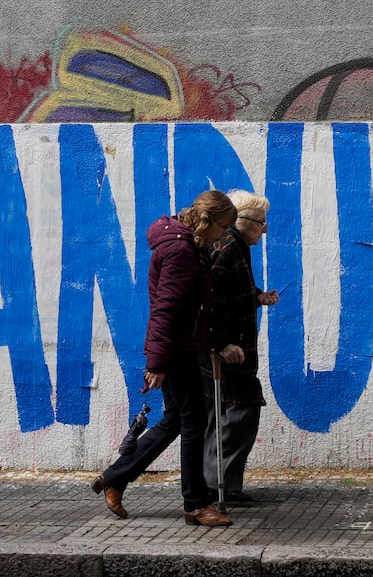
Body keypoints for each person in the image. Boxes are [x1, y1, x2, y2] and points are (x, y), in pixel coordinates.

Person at [90, 190, 237, 527]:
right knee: (194, 422)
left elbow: (193, 308)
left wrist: (212, 343)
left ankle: (115, 477)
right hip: (177, 351)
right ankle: (196, 505)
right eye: (223, 227)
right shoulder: (182, 251)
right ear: (207, 222)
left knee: (175, 420)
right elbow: (165, 308)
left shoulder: (190, 248)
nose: (224, 235)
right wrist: (156, 363)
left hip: (181, 347)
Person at [202, 190, 280, 503]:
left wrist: (257, 296)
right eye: (261, 222)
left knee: (227, 414)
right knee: (238, 413)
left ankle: (221, 483)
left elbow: (231, 293)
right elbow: (212, 302)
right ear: (243, 221)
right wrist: (222, 344)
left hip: (236, 351)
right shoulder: (227, 248)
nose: (265, 229)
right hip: (230, 353)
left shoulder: (236, 247)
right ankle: (217, 485)